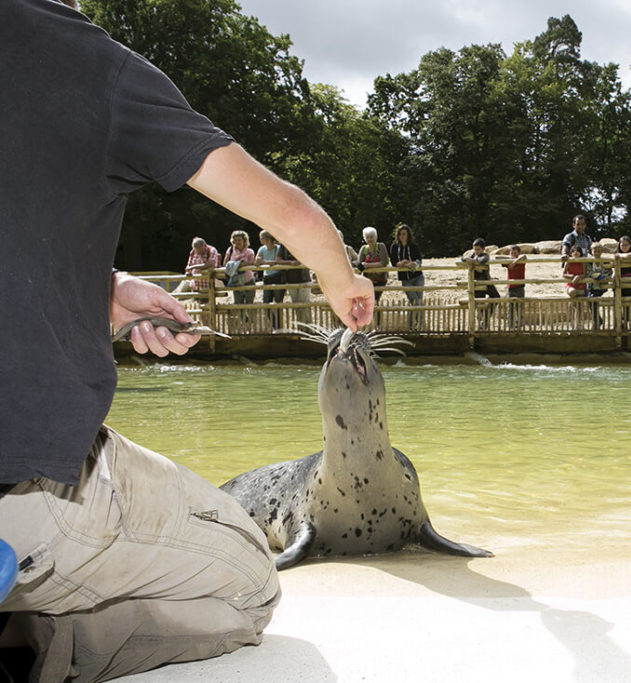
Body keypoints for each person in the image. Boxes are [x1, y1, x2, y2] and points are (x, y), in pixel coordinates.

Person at [0, 1, 374, 679]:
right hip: (22, 495)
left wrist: (103, 294)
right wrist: (344, 280)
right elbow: (292, 215)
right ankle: (28, 642)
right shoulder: (85, 61)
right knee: (248, 585)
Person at [389, 223, 424, 331]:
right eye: (400, 234)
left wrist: (413, 263)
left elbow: (419, 260)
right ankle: (411, 325)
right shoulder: (394, 246)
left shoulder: (413, 246)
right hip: (405, 278)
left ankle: (419, 325)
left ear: (408, 235)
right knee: (414, 300)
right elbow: (393, 261)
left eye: (404, 234)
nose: (402, 236)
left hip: (417, 276)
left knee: (419, 301)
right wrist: (400, 264)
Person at [462, 238, 500, 329]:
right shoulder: (472, 255)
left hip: (486, 281)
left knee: (496, 297)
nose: (476, 251)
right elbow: (462, 259)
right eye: (474, 249)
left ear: (483, 249)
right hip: (476, 284)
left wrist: (474, 261)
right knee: (480, 304)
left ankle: (486, 318)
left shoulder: (485, 255)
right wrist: (466, 258)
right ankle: (482, 323)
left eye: (478, 249)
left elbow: (483, 260)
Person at [223, 230, 257, 330]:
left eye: (239, 240)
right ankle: (245, 324)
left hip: (248, 280)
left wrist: (237, 264)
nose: (237, 242)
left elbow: (251, 262)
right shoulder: (230, 250)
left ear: (244, 240)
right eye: (235, 240)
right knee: (238, 304)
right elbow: (225, 263)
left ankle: (251, 325)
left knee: (249, 303)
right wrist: (238, 263)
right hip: (237, 281)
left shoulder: (249, 251)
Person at [256, 230, 286, 330]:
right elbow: (257, 261)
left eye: (262, 238)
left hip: (278, 276)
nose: (260, 240)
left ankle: (279, 327)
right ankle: (275, 326)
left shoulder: (277, 248)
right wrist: (267, 262)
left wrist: (264, 261)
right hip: (267, 277)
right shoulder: (262, 249)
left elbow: (277, 261)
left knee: (278, 303)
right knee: (266, 303)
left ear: (267, 239)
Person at [276, 241, 313, 324]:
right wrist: (290, 263)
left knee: (305, 305)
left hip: (304, 278)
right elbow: (278, 259)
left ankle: (309, 328)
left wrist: (300, 261)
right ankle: (300, 327)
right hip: (290, 279)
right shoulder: (284, 244)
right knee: (296, 305)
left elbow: (311, 257)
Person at [357, 226, 391, 305]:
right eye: (367, 237)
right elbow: (360, 264)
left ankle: (378, 317)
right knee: (369, 301)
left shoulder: (381, 246)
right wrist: (374, 265)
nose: (369, 239)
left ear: (375, 237)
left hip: (381, 279)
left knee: (375, 299)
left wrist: (367, 265)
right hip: (368, 281)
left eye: (371, 237)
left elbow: (384, 262)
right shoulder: (363, 248)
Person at [500, 244, 527, 329]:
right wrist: (511, 259)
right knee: (510, 307)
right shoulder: (508, 261)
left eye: (515, 253)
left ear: (518, 253)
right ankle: (510, 325)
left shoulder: (521, 260)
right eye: (511, 253)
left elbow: (524, 256)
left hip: (520, 286)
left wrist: (515, 261)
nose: (513, 254)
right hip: (510, 287)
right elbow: (499, 259)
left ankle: (519, 325)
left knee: (520, 307)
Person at [614, 235, 631, 330]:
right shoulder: (616, 253)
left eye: (626, 245)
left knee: (626, 302)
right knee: (617, 301)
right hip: (618, 280)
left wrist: (619, 256)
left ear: (630, 245)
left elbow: (629, 256)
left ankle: (626, 322)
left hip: (628, 280)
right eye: (622, 244)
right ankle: (618, 322)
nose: (623, 247)